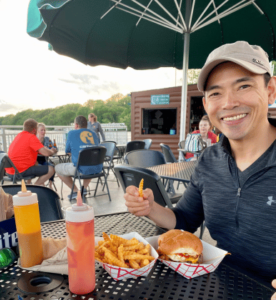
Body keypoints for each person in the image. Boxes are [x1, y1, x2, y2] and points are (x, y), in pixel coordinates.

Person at [124, 41, 276, 294]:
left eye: (244, 86)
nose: (228, 103)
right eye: (216, 93)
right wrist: (151, 208)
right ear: (206, 104)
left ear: (270, 90)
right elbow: (184, 220)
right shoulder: (209, 160)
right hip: (222, 284)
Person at [55, 115, 101, 200]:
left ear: (76, 125)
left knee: (57, 168)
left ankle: (76, 191)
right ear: (86, 125)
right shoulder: (94, 134)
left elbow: (67, 150)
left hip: (80, 169)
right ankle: (84, 189)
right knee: (89, 161)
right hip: (97, 168)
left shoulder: (72, 133)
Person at [5, 119, 56, 186]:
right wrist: (52, 151)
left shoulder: (19, 136)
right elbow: (46, 153)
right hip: (19, 172)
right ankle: (34, 187)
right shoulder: (31, 137)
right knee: (51, 169)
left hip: (9, 172)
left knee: (36, 164)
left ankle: (34, 186)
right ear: (34, 130)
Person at [36, 123, 58, 189]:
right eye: (41, 130)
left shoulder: (47, 139)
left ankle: (50, 184)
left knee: (52, 166)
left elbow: (55, 148)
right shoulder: (34, 140)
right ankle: (41, 184)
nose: (43, 132)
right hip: (36, 161)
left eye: (44, 130)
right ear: (37, 131)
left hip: (44, 160)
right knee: (43, 169)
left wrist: (53, 150)